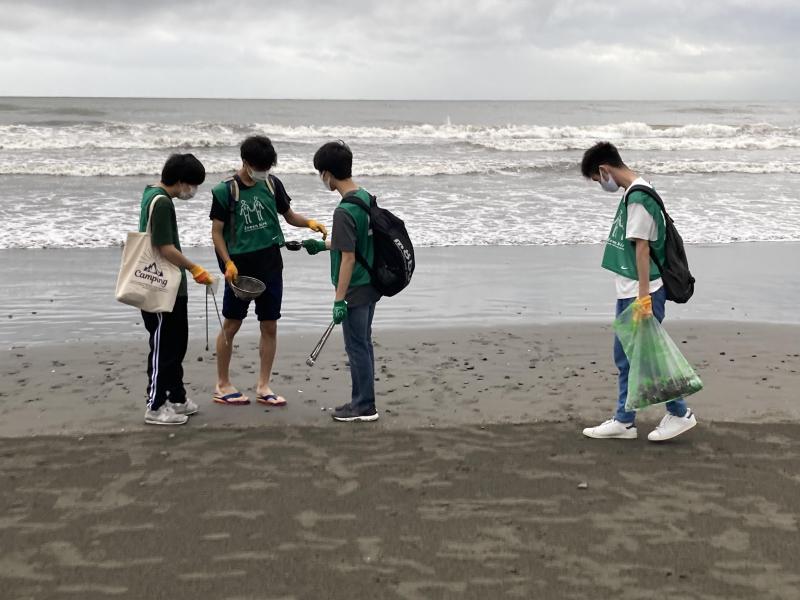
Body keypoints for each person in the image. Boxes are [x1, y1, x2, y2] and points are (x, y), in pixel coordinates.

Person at [580, 141, 697, 442]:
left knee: (647, 358)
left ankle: (680, 413)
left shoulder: (637, 198)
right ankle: (624, 420)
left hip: (641, 292)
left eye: (597, 179)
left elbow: (642, 248)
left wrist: (643, 299)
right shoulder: (638, 189)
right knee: (627, 357)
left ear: (604, 169)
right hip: (631, 290)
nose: (600, 184)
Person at [210, 135, 327, 406]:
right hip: (239, 269)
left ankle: (263, 386)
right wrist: (227, 261)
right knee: (231, 324)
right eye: (260, 167)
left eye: (268, 167)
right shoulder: (224, 191)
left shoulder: (272, 184)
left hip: (271, 263)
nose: (264, 172)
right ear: (245, 162)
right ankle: (222, 384)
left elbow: (288, 215)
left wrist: (309, 222)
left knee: (270, 325)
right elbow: (216, 232)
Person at [303, 140, 381, 422]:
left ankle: (363, 406)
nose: (321, 179)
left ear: (328, 174)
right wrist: (323, 246)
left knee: (356, 346)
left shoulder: (344, 211)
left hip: (355, 288)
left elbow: (348, 258)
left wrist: (339, 299)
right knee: (364, 343)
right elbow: (357, 244)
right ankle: (365, 401)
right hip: (371, 284)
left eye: (320, 173)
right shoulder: (365, 197)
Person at [140, 153, 214, 426]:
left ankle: (176, 397)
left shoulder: (154, 193)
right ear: (182, 181)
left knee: (176, 342)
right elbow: (164, 247)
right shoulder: (160, 202)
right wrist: (195, 268)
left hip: (171, 287)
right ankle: (156, 404)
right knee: (163, 347)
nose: (192, 192)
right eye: (192, 185)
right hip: (160, 286)